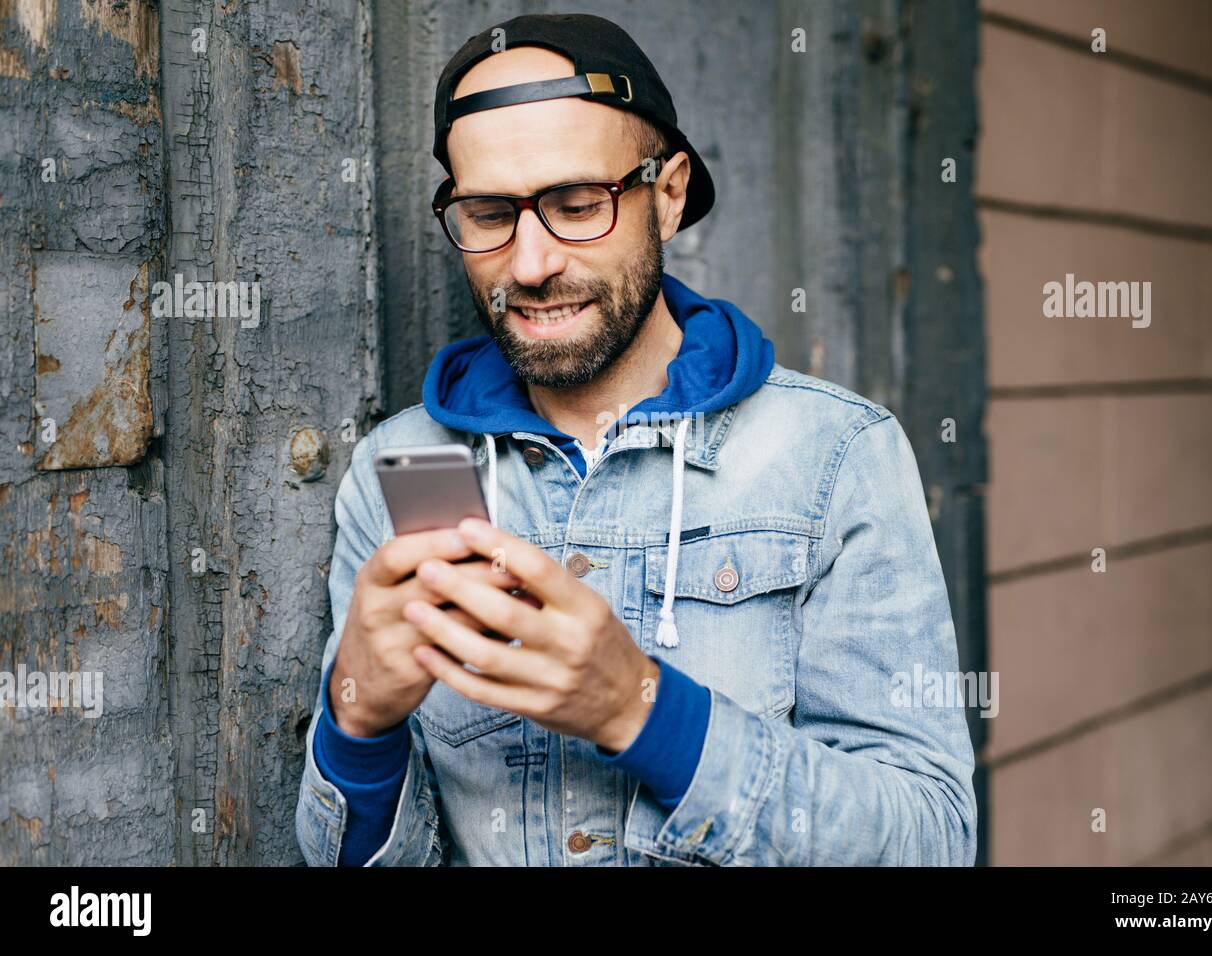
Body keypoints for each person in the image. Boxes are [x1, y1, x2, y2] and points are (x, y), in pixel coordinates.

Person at [295, 12, 976, 866]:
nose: (531, 263)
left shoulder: (835, 454)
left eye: (578, 205)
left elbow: (931, 840)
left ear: (669, 191)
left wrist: (641, 712)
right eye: (488, 212)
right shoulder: (403, 471)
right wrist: (358, 724)